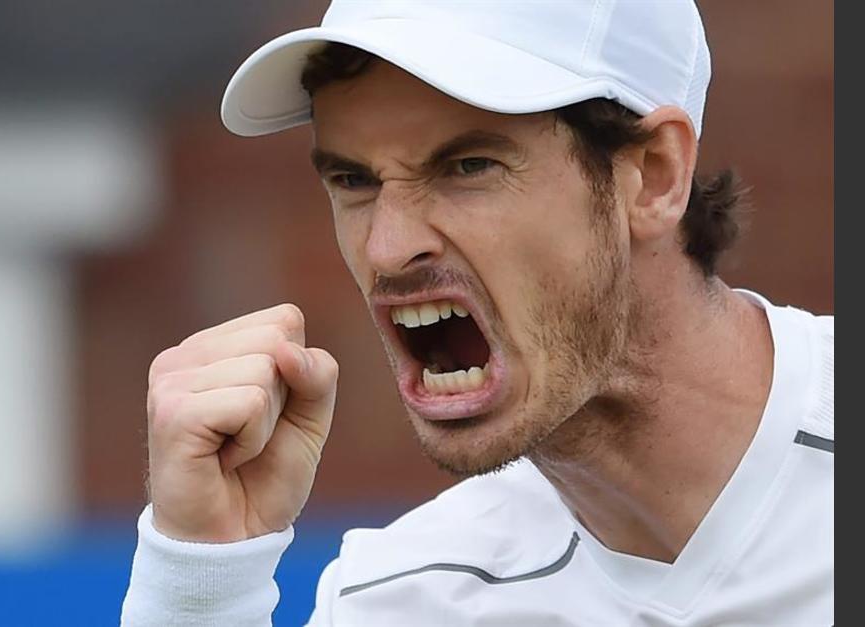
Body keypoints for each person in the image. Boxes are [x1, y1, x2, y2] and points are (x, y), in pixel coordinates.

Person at [120, 1, 834, 625]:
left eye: (468, 166)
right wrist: (201, 582)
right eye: (353, 179)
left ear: (654, 175)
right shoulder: (393, 600)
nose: (388, 246)